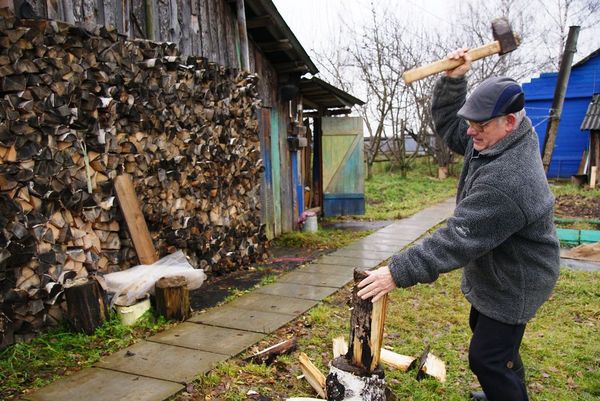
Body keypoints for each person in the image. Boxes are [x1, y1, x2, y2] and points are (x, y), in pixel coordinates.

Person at [357, 49, 560, 401]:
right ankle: (505, 392)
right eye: (472, 123)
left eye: (479, 126)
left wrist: (397, 272)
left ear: (509, 121)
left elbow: (457, 237)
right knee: (492, 343)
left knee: (489, 358)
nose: (470, 133)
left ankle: (507, 393)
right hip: (498, 268)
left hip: (517, 279)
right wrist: (454, 81)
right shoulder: (496, 136)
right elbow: (453, 127)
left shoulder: (511, 179)